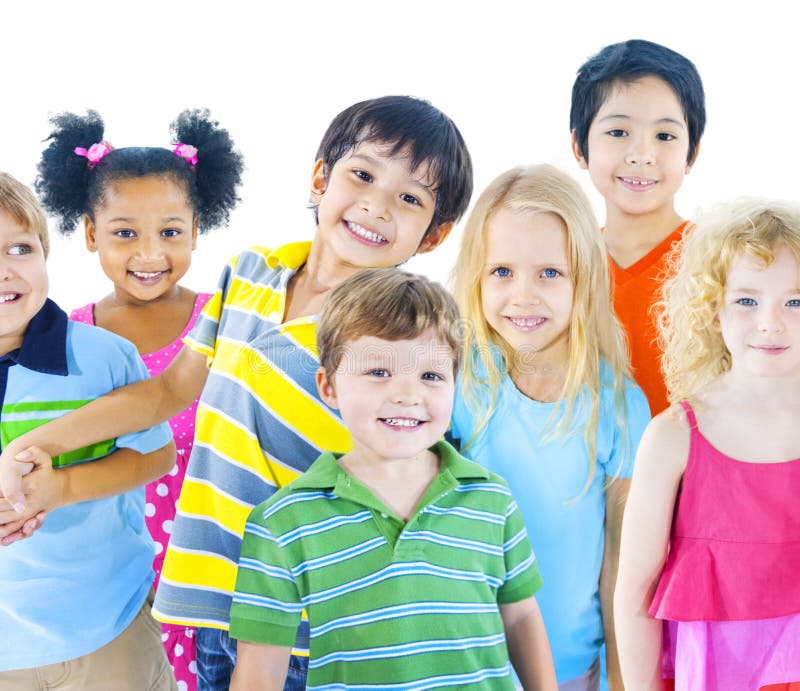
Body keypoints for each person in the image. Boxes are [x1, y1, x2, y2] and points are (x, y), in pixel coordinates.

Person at [0, 95, 473, 691]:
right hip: (216, 599)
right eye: (363, 175)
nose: (377, 206)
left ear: (436, 234)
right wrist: (34, 448)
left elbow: (414, 471)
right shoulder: (249, 274)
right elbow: (165, 393)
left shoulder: (401, 334)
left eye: (410, 199)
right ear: (321, 178)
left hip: (310, 619)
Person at [229, 267, 558, 690]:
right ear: (329, 386)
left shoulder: (491, 498)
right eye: (378, 372)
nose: (406, 394)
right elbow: (260, 666)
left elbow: (521, 615)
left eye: (431, 376)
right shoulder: (282, 522)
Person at [33, 108, 242, 691]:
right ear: (90, 233)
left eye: (170, 232)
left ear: (197, 229)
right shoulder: (67, 339)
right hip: (112, 586)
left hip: (220, 570)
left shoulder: (225, 323)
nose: (149, 254)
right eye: (125, 233)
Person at [450, 164, 650, 690]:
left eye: (549, 273)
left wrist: (620, 679)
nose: (524, 295)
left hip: (573, 673)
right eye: (502, 271)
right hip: (465, 668)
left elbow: (620, 565)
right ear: (476, 277)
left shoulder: (619, 406)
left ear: (584, 279)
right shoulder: (453, 384)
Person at [0, 172, 176, 689]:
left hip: (106, 624)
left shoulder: (105, 357)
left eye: (19, 248)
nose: (5, 271)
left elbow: (156, 455)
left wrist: (62, 488)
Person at [615, 199, 800, 690]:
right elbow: (634, 594)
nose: (771, 322)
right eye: (747, 301)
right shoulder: (673, 436)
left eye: (795, 302)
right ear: (712, 310)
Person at [570, 38, 706, 415]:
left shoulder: (718, 262)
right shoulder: (563, 266)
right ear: (580, 147)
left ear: (691, 154)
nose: (642, 155)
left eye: (665, 136)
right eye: (618, 132)